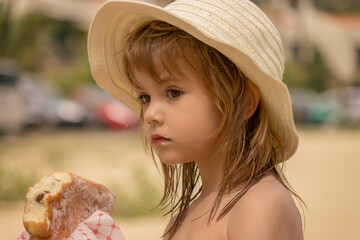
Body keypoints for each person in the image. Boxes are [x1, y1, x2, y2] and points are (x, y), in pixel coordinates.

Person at [88, 0, 304, 239]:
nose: (149, 114)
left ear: (244, 102)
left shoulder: (260, 205)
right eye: (145, 97)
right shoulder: (183, 219)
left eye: (173, 92)